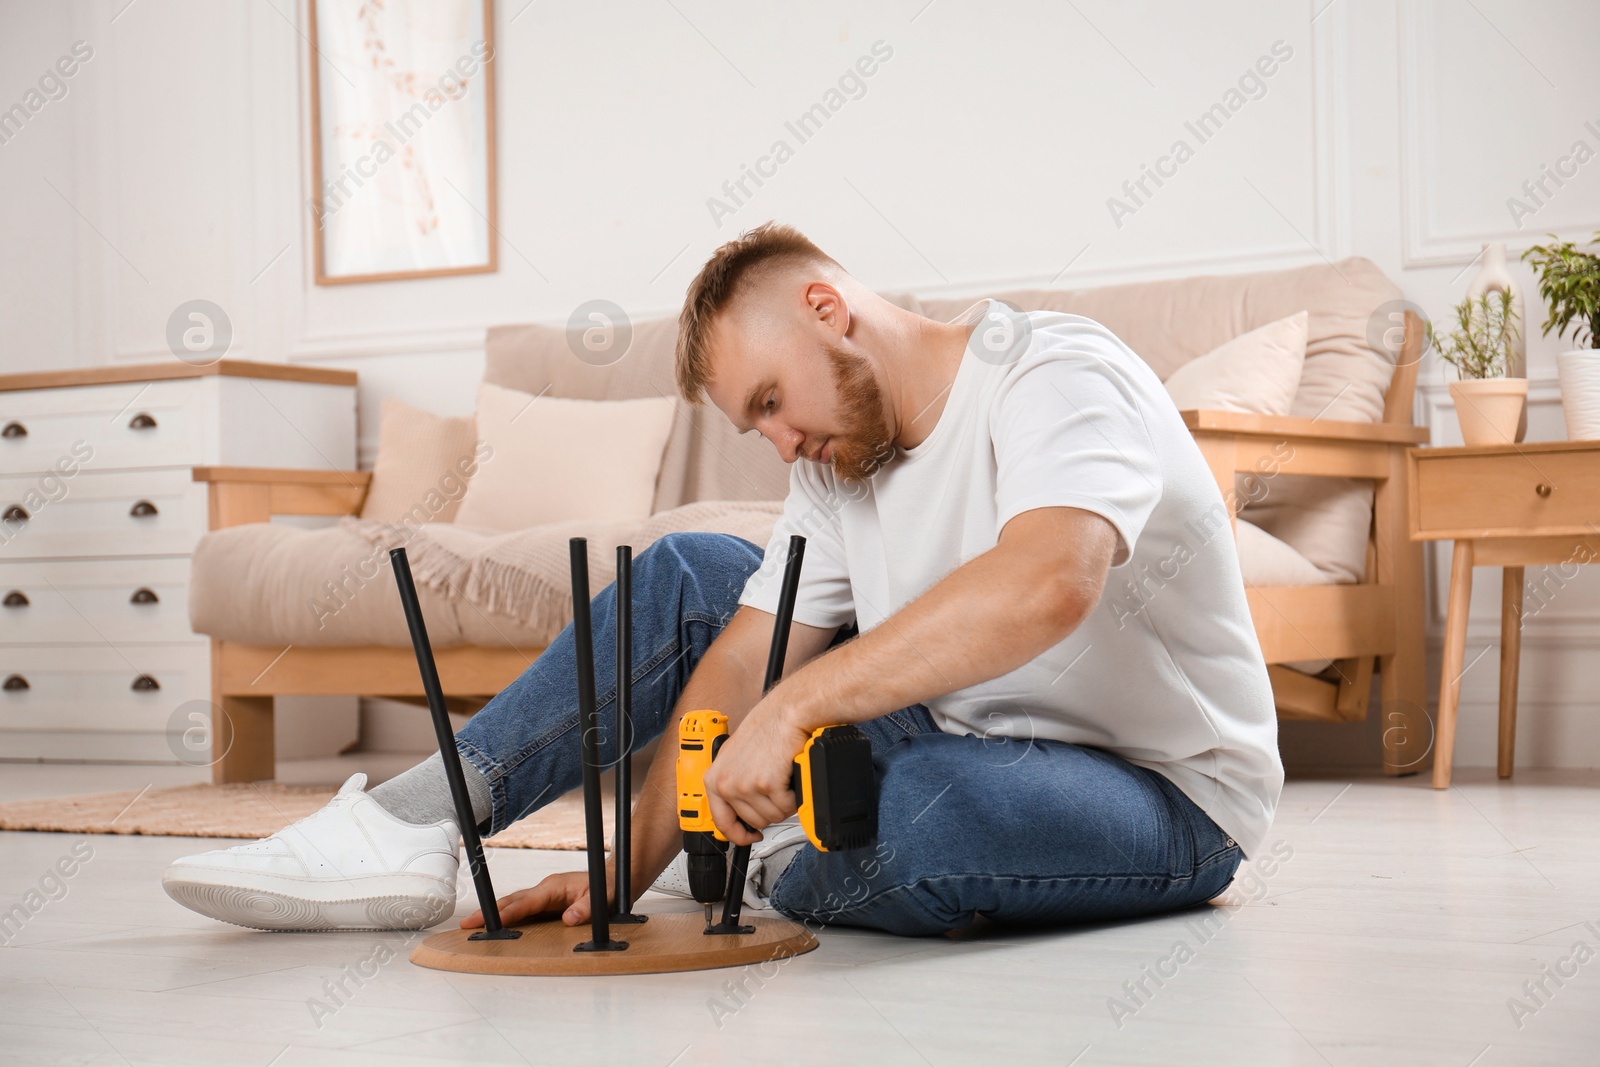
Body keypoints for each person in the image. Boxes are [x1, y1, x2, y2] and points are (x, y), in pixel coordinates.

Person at [163, 223, 1281, 937]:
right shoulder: (843, 470)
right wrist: (620, 877)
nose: (779, 442)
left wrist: (796, 708)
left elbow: (1048, 580)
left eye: (767, 401)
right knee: (696, 571)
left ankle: (772, 868)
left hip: (1162, 798)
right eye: (756, 424)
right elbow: (737, 657)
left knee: (938, 812)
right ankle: (412, 823)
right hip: (947, 735)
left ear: (825, 309)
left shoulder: (1050, 371)